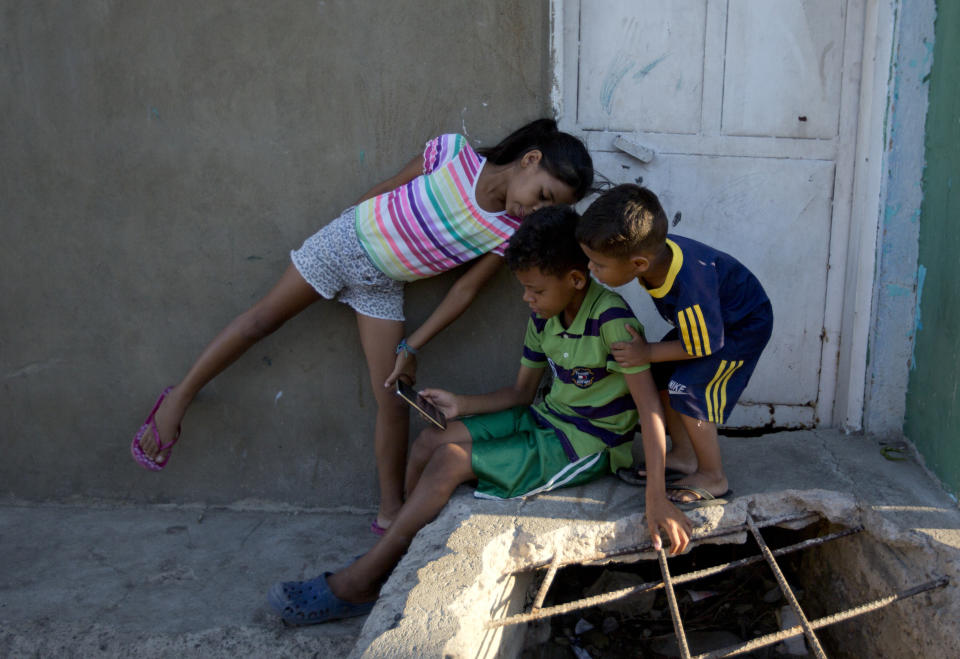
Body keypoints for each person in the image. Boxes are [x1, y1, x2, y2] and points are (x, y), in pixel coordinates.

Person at [130, 119, 594, 536]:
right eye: (542, 197)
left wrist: (412, 343)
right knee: (260, 321)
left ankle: (390, 511)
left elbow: (462, 293)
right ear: (530, 161)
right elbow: (387, 187)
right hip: (343, 245)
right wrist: (344, 228)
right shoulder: (453, 154)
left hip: (383, 285)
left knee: (392, 397)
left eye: (547, 210)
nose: (534, 212)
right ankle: (180, 396)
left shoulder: (506, 232)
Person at [266, 205, 692, 625]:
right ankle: (396, 553)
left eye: (535, 290)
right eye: (523, 289)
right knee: (433, 439)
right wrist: (462, 404)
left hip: (586, 444)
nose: (527, 299)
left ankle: (361, 581)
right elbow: (521, 393)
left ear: (576, 279)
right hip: (545, 417)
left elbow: (650, 409)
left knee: (449, 460)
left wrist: (655, 496)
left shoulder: (613, 322)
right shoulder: (543, 318)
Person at [576, 184, 774, 506]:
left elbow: (705, 345)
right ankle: (684, 455)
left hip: (740, 327)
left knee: (689, 387)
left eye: (598, 265)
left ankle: (713, 475)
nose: (591, 269)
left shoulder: (690, 286)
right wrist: (655, 357)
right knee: (665, 374)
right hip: (710, 323)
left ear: (638, 264)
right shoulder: (653, 257)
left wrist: (648, 352)